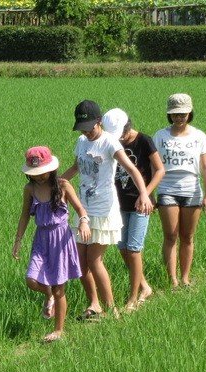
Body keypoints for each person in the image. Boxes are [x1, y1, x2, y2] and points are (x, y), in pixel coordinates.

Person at [61, 100, 154, 320]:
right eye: (82, 128)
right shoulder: (82, 142)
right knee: (80, 263)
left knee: (94, 259)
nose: (86, 132)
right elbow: (76, 167)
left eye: (90, 127)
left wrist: (144, 193)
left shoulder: (110, 142)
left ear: (99, 122)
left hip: (104, 210)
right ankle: (94, 304)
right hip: (84, 209)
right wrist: (59, 181)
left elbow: (132, 169)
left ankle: (111, 309)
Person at [12, 146, 91, 342]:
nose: (39, 177)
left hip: (61, 240)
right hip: (41, 239)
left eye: (42, 173)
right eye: (35, 174)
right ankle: (48, 295)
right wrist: (18, 240)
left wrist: (83, 222)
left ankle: (59, 330)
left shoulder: (63, 186)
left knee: (59, 288)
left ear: (51, 168)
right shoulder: (29, 189)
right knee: (31, 280)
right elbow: (24, 215)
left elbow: (81, 209)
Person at [102, 108, 164, 313]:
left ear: (127, 126)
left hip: (140, 203)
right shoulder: (111, 141)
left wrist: (145, 194)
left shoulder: (144, 140)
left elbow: (159, 169)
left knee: (134, 249)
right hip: (118, 204)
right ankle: (145, 287)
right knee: (122, 248)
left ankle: (133, 297)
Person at [153, 93, 206, 289]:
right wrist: (151, 194)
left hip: (192, 190)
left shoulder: (199, 136)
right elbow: (154, 167)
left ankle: (185, 277)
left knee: (187, 236)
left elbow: (205, 167)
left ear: (190, 113)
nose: (179, 118)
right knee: (171, 235)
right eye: (175, 114)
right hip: (167, 188)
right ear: (169, 115)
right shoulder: (160, 136)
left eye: (183, 114)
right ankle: (172, 279)